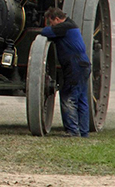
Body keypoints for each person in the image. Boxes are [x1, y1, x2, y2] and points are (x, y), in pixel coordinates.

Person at [40, 7, 91, 138]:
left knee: (68, 96)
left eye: (51, 22)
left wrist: (46, 29)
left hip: (75, 65)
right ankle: (83, 132)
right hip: (83, 64)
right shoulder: (71, 25)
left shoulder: (64, 27)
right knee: (81, 99)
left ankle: (73, 131)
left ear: (56, 19)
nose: (51, 25)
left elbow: (45, 32)